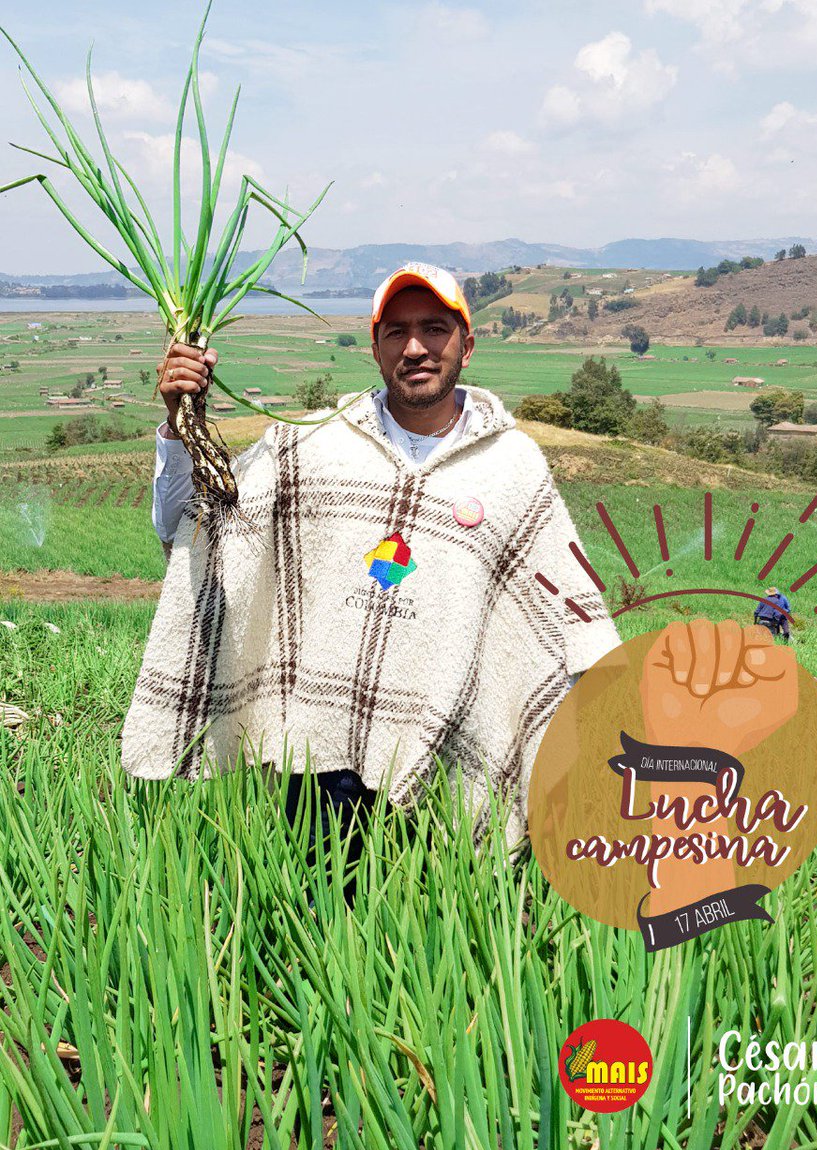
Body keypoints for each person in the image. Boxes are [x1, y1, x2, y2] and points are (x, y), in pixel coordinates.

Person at [121, 262, 620, 866]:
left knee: (440, 940)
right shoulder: (309, 446)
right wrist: (179, 427)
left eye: (435, 328)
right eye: (397, 332)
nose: (416, 348)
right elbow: (193, 526)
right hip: (320, 760)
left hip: (450, 760)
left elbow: (568, 617)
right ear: (375, 347)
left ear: (467, 343)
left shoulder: (513, 467)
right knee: (317, 925)